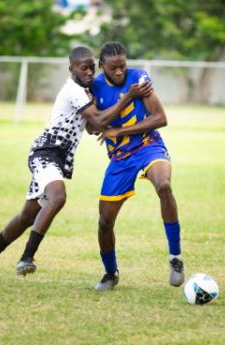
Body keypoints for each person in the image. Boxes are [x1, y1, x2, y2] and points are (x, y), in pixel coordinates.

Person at [0, 46, 153, 284]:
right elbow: (99, 120)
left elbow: (93, 126)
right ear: (71, 69)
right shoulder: (74, 90)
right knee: (57, 197)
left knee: (28, 215)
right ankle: (27, 257)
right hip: (45, 152)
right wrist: (128, 97)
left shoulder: (87, 92)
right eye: (83, 68)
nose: (89, 72)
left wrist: (107, 119)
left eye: (92, 67)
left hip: (59, 158)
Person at [90, 42, 185, 291]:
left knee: (164, 185)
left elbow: (160, 118)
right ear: (102, 66)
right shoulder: (95, 86)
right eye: (113, 67)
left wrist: (120, 129)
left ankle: (175, 258)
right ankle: (110, 274)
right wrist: (105, 124)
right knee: (104, 222)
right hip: (120, 158)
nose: (120, 71)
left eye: (123, 65)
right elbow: (92, 126)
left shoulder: (139, 78)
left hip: (148, 146)